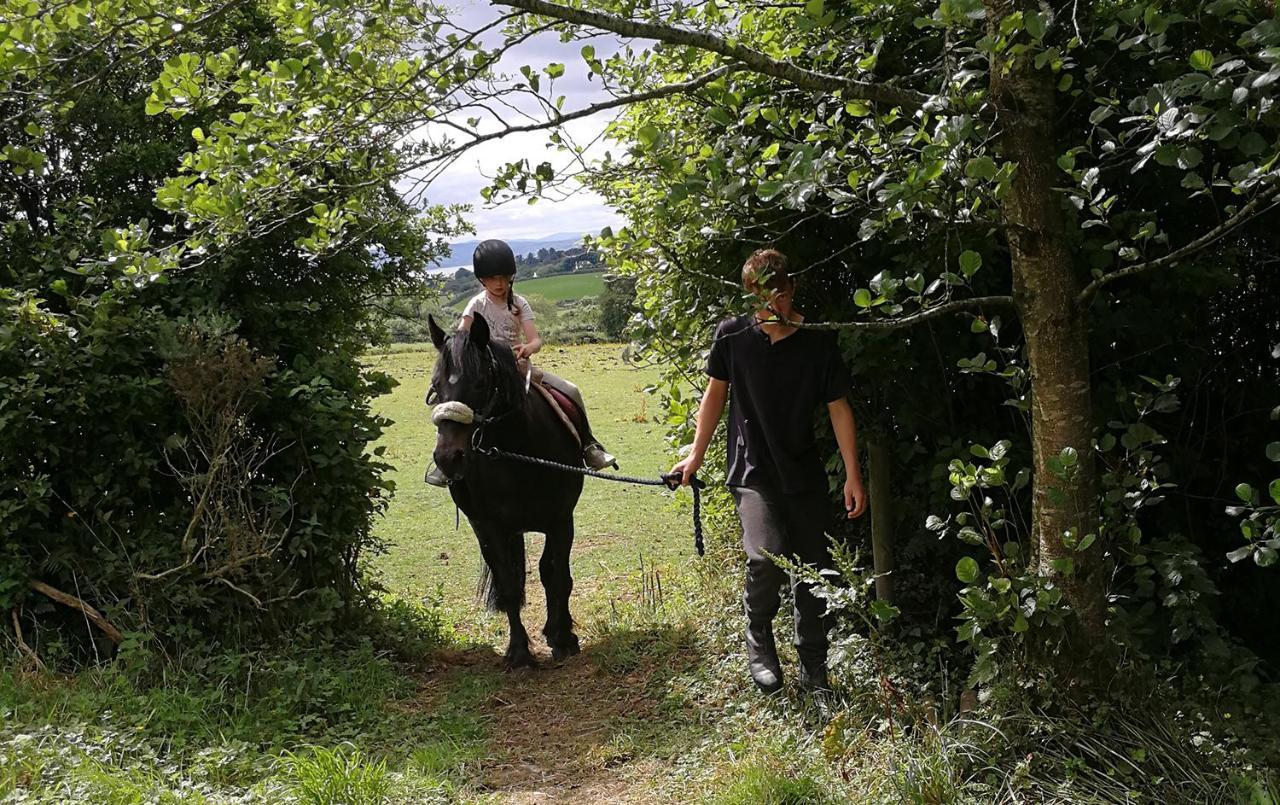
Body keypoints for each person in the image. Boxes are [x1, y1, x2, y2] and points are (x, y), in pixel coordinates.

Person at [670, 248, 867, 693]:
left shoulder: (817, 341)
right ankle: (758, 637)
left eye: (779, 295)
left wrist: (853, 474)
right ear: (749, 297)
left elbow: (839, 410)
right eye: (762, 298)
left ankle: (814, 669)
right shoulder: (732, 336)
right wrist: (695, 457)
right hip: (752, 471)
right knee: (765, 557)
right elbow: (714, 397)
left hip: (804, 472)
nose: (772, 307)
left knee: (817, 572)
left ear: (792, 287)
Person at [425, 239, 616, 487]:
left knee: (571, 390)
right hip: (483, 371)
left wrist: (528, 348)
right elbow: (462, 337)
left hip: (518, 368)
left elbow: (535, 339)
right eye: (493, 278)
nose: (500, 284)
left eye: (504, 277)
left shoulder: (519, 304)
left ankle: (590, 446)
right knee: (452, 404)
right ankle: (444, 461)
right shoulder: (476, 304)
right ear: (482, 279)